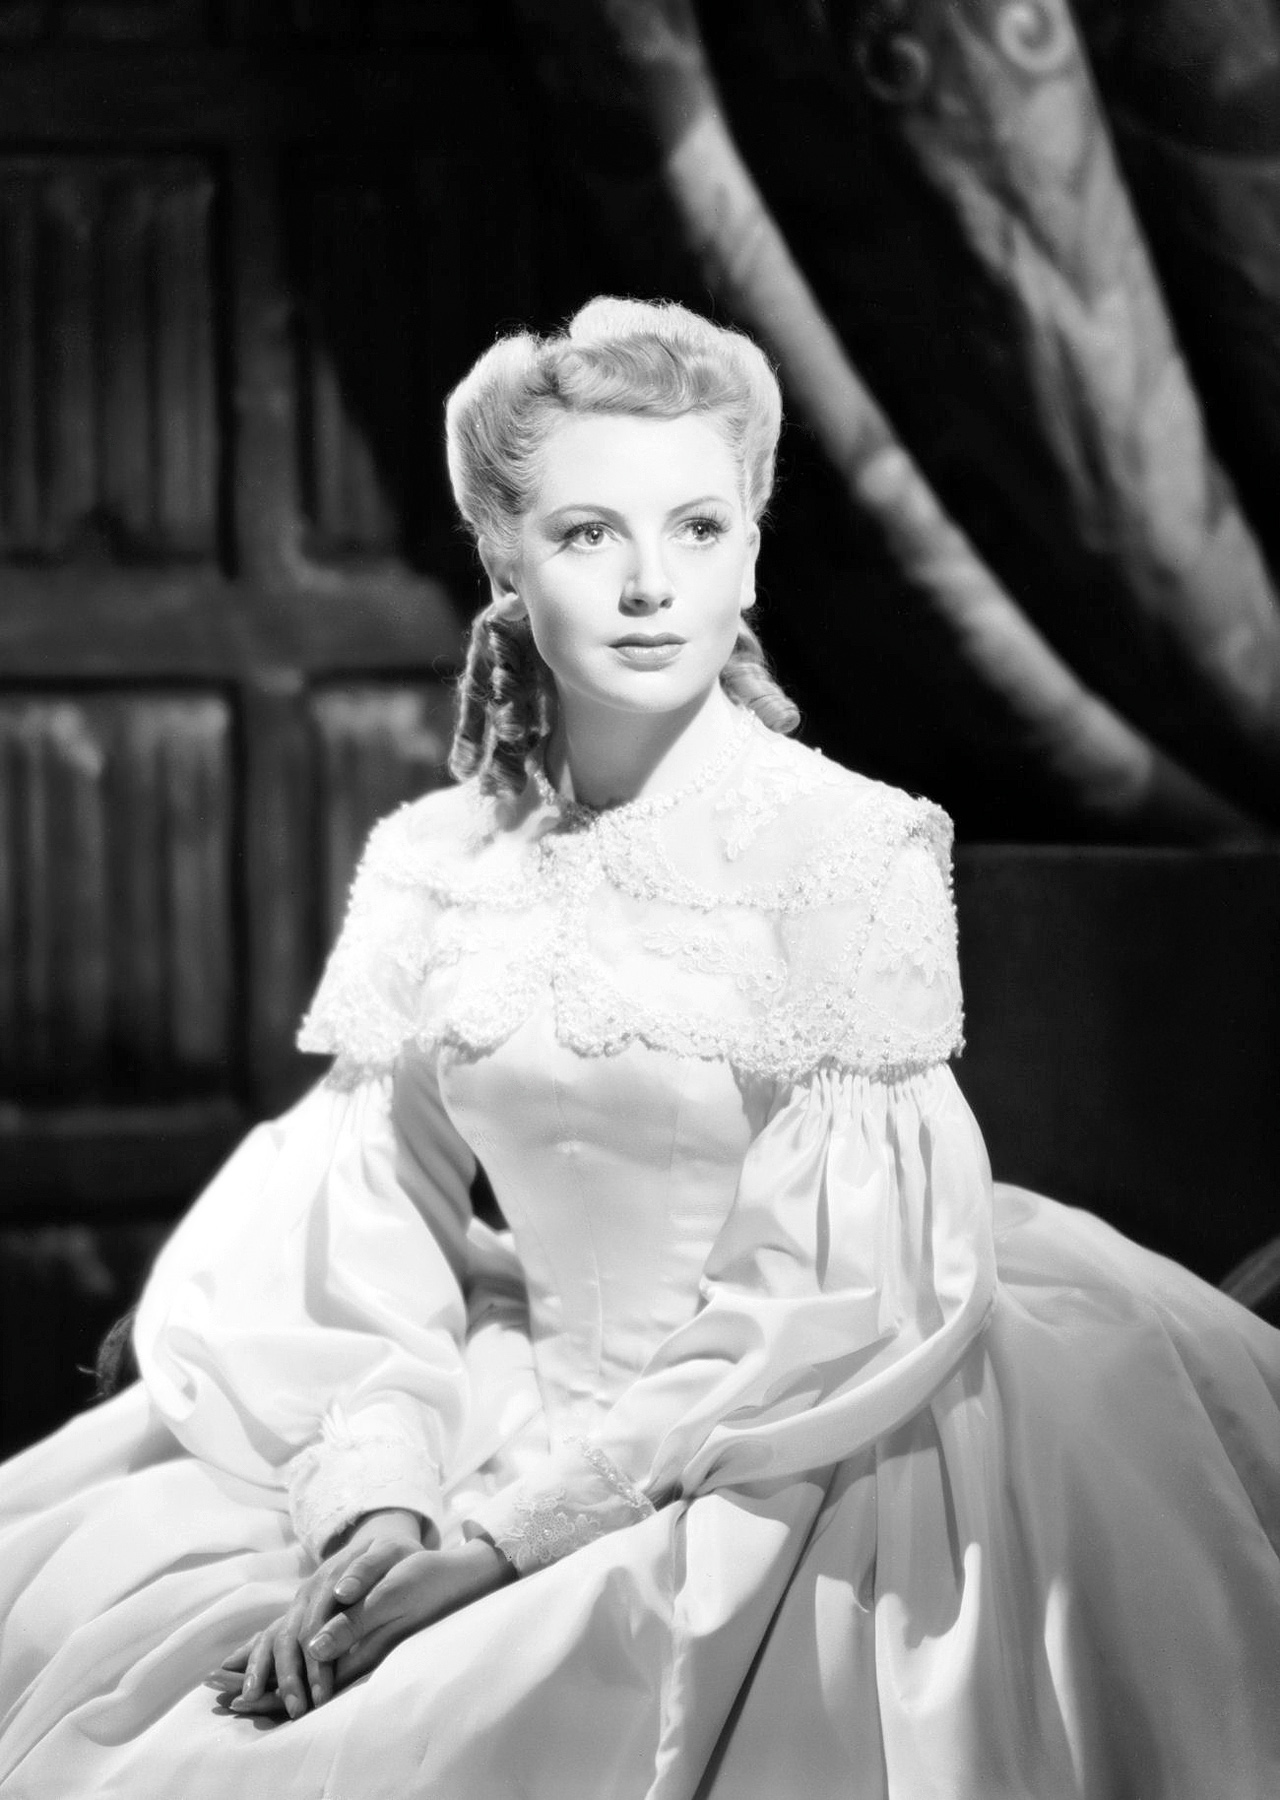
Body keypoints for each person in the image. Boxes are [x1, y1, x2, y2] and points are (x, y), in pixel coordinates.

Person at [1, 297, 1277, 1800]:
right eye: (589, 533)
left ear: (752, 554)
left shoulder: (851, 848)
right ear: (506, 561)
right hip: (514, 1396)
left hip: (804, 1424)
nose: (652, 584)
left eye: (699, 528)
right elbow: (360, 1221)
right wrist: (382, 1510)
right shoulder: (435, 862)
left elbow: (833, 1286)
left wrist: (506, 1545)